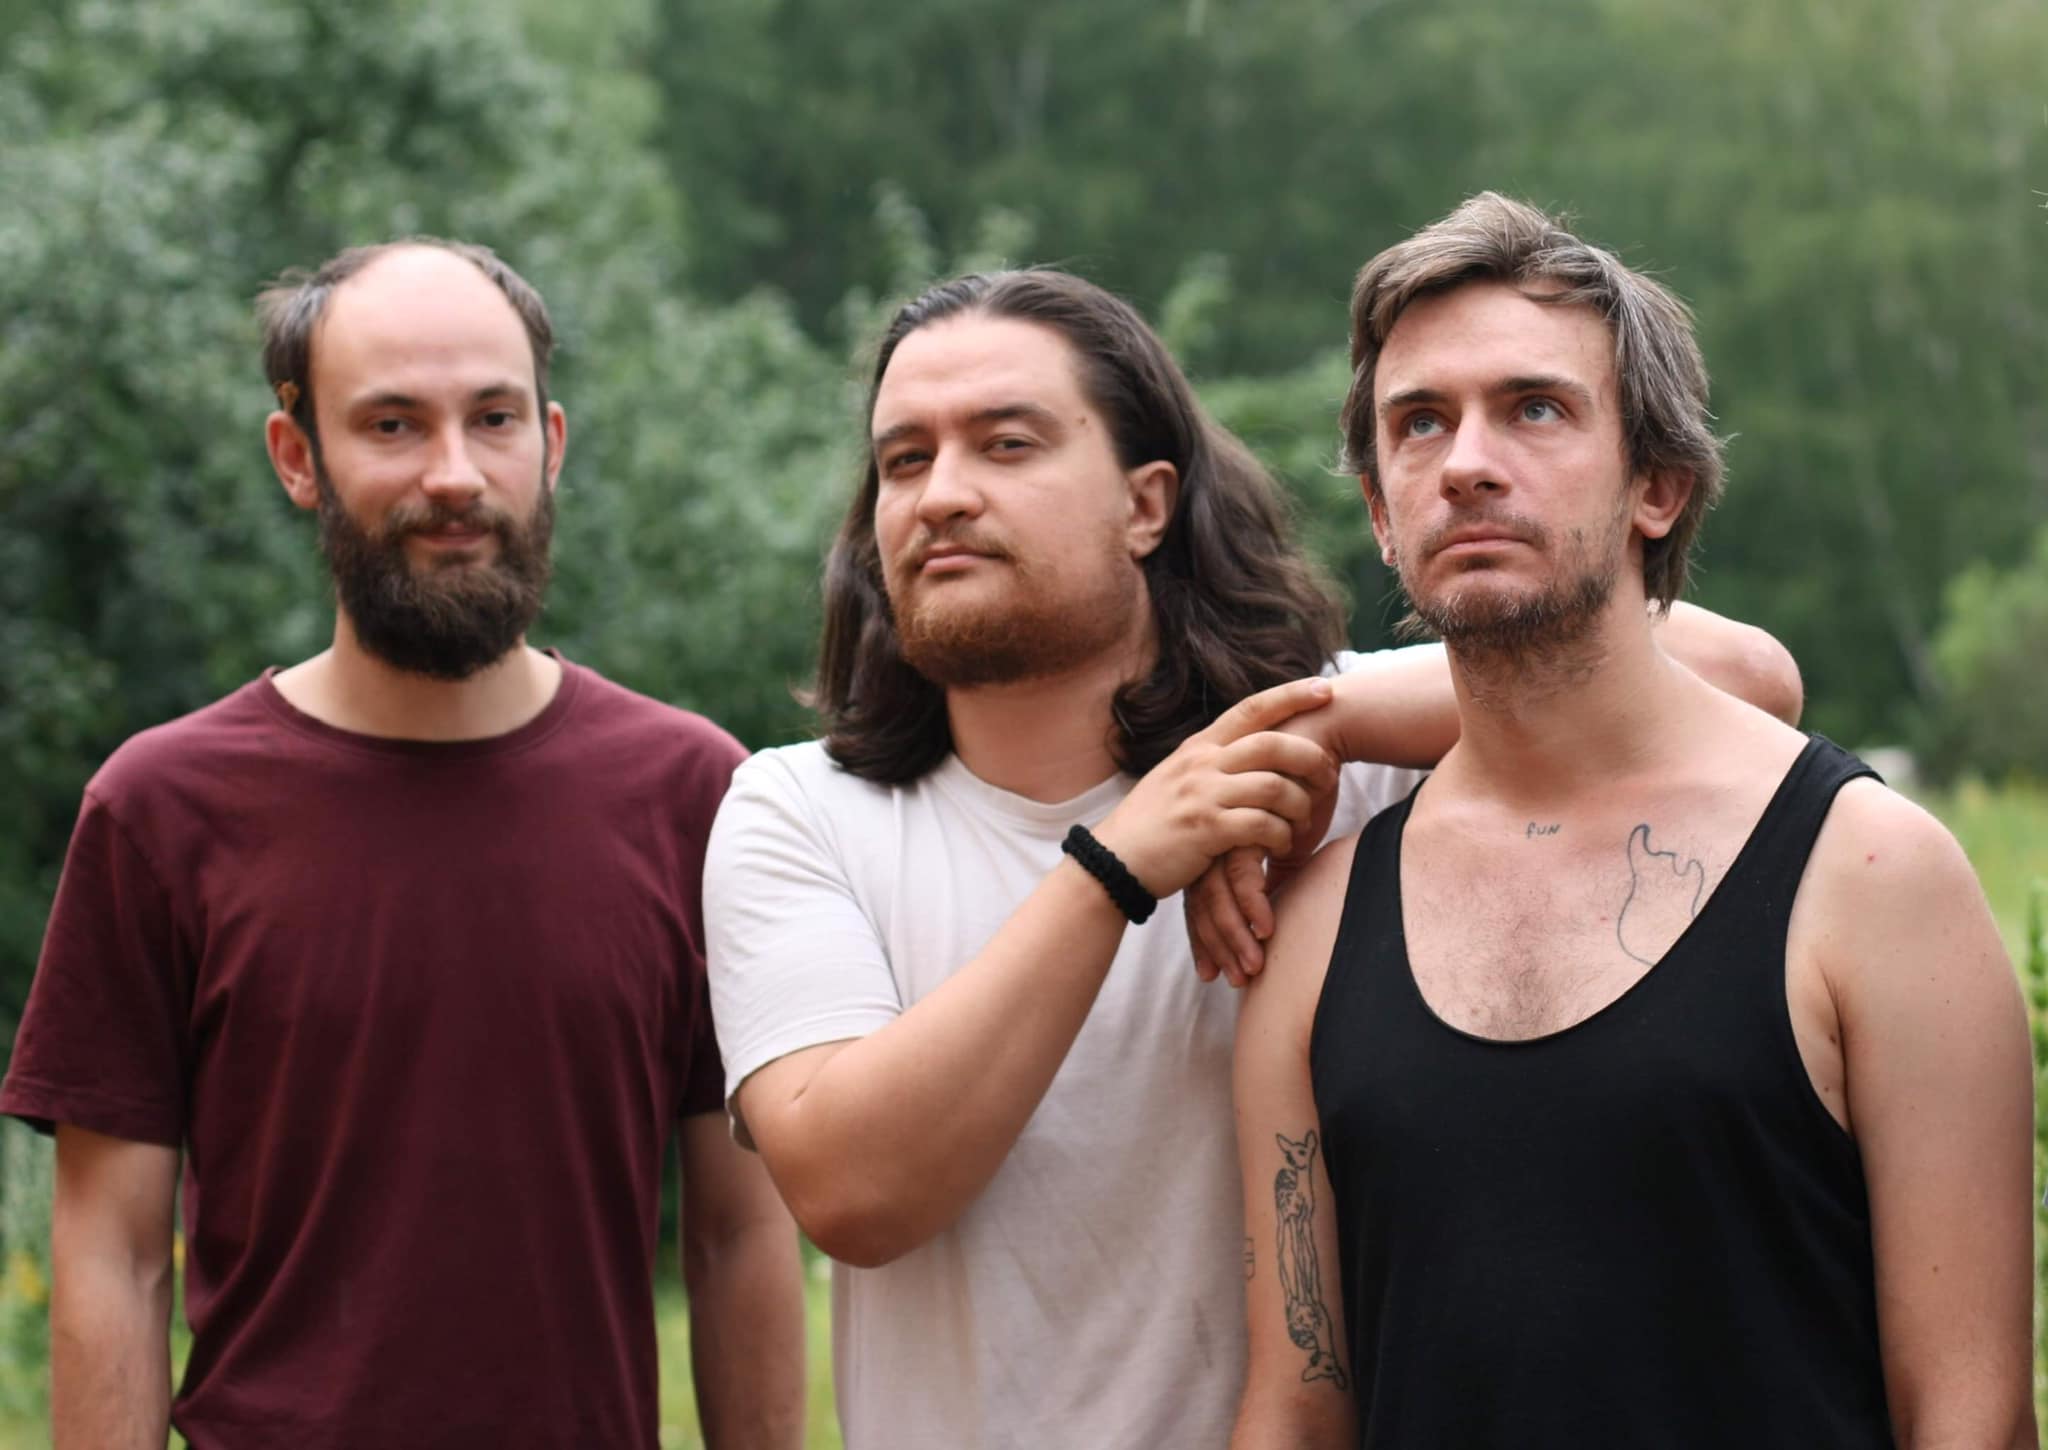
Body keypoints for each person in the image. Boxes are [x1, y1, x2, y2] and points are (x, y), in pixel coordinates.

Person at [703, 268, 1802, 1447]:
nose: (942, 495)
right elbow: (853, 1192)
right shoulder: (796, 811)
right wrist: (1115, 868)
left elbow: (1743, 679)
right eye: (904, 460)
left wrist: (1318, 721)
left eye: (1005, 444)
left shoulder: (1326, 769)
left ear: (1147, 503)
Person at [1230, 194, 2035, 1448]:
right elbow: (1296, 1406)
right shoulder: (1319, 924)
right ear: (1382, 513)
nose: (1466, 461)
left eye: (1533, 408)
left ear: (1656, 485)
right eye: (1418, 423)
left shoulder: (1871, 874)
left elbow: (1971, 1415)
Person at [2, 239, 805, 1450]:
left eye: (492, 418)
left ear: (552, 444)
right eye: (390, 425)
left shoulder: (693, 792)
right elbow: (112, 1254)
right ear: (297, 459)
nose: (454, 473)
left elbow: (744, 1232)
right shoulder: (162, 810)